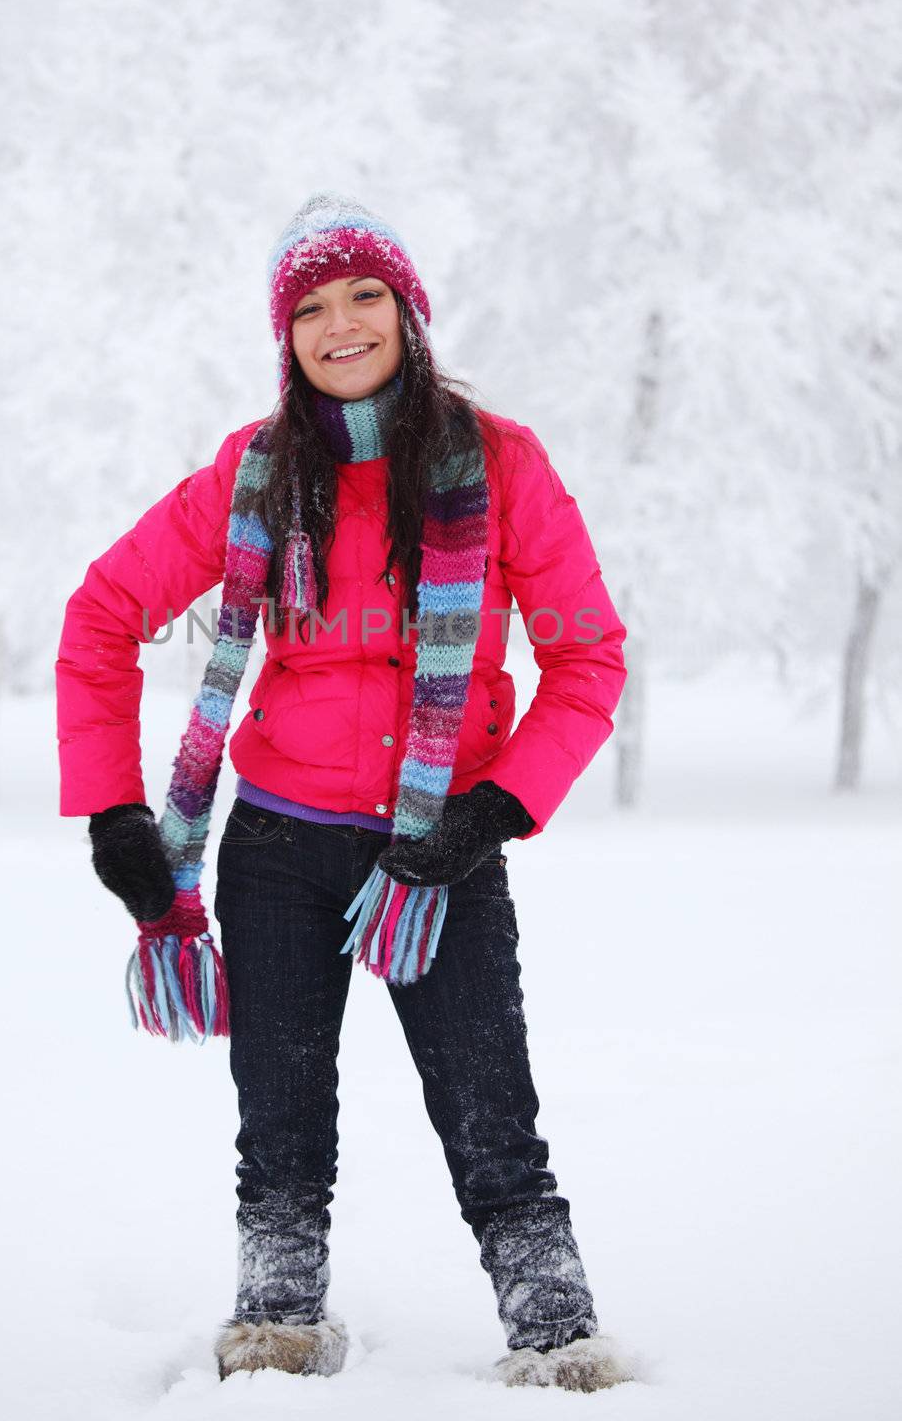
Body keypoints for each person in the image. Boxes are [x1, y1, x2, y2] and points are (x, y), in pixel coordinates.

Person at [55, 193, 636, 1392]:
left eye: (362, 294)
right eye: (309, 308)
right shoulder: (254, 472)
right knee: (277, 1120)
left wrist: (495, 808)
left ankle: (555, 1324)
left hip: (442, 847)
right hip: (276, 844)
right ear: (286, 338)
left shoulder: (501, 463)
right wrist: (113, 805)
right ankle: (274, 1327)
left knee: (489, 1108)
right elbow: (101, 615)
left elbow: (588, 659)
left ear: (407, 311)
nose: (339, 325)